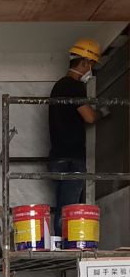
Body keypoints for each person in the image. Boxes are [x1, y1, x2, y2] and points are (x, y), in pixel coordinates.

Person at [48, 38, 101, 235]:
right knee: (69, 207)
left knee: (62, 204)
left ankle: (61, 243)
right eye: (91, 64)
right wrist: (101, 112)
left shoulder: (58, 86)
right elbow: (89, 117)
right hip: (72, 157)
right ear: (85, 62)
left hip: (57, 157)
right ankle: (66, 246)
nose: (91, 69)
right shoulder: (74, 86)